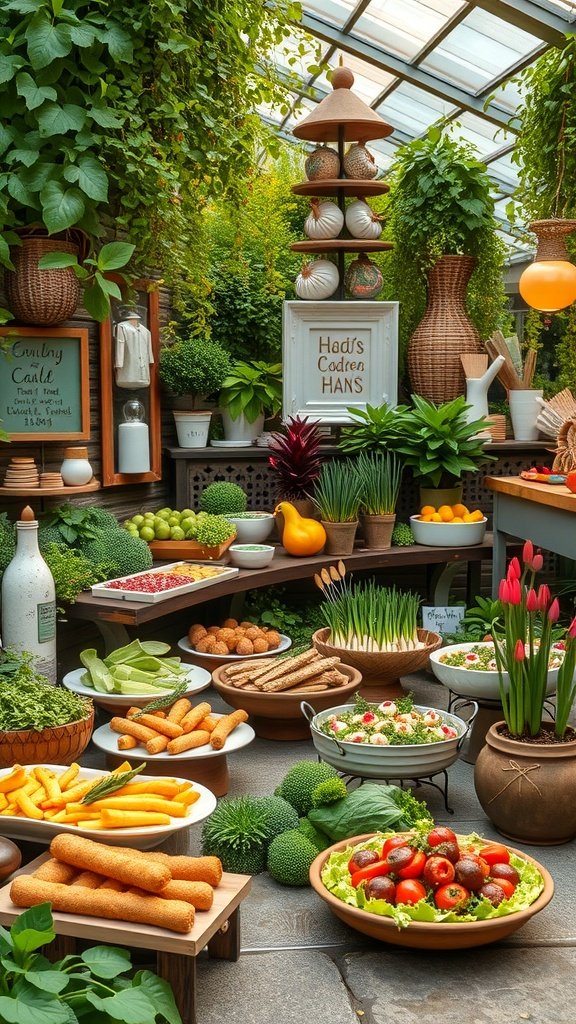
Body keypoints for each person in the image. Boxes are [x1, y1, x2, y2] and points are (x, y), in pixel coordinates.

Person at [114, 311, 154, 389]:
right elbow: (120, 345)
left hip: (143, 372)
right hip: (127, 371)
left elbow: (149, 349)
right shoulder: (122, 327)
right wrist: (119, 364)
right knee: (130, 373)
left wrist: (150, 360)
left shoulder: (146, 331)